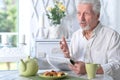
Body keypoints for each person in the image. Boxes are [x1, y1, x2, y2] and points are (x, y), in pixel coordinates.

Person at [60, 0, 120, 80]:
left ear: (97, 15)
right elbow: (74, 65)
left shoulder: (112, 36)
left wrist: (87, 69)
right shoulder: (75, 36)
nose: (81, 18)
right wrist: (67, 55)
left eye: (86, 14)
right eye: (79, 13)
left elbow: (117, 67)